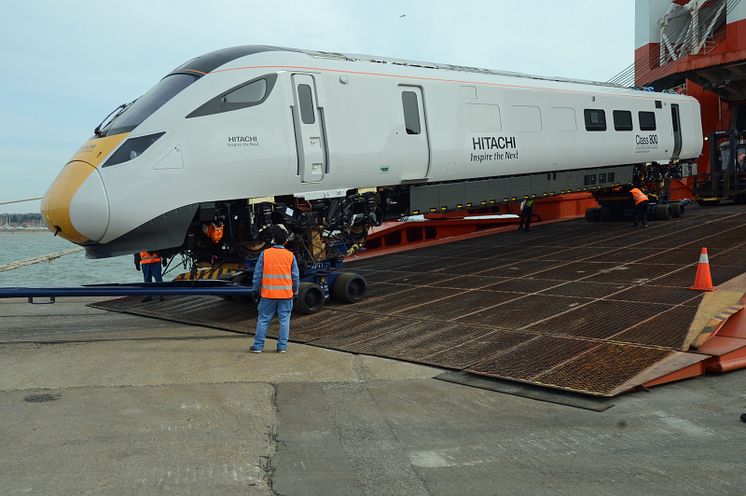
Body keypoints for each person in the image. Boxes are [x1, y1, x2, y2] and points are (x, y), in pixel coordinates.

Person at [250, 226, 300, 353]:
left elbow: (257, 275)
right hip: (286, 295)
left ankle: (258, 346)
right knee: (284, 321)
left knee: (263, 320)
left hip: (268, 294)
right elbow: (295, 276)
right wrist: (296, 291)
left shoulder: (265, 254)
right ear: (285, 241)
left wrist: (256, 290)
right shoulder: (290, 256)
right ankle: (282, 347)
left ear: (273, 240)